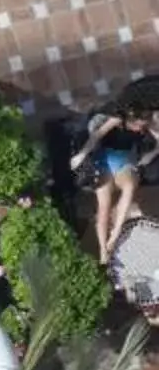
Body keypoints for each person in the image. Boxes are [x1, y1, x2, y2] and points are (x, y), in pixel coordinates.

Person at [70, 105, 155, 265]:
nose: (139, 129)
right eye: (138, 125)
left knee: (129, 188)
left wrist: (151, 153)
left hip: (124, 162)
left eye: (142, 126)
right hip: (104, 161)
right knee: (104, 208)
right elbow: (96, 136)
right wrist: (81, 154)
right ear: (132, 117)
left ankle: (115, 233)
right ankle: (103, 248)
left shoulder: (145, 125)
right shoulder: (117, 120)